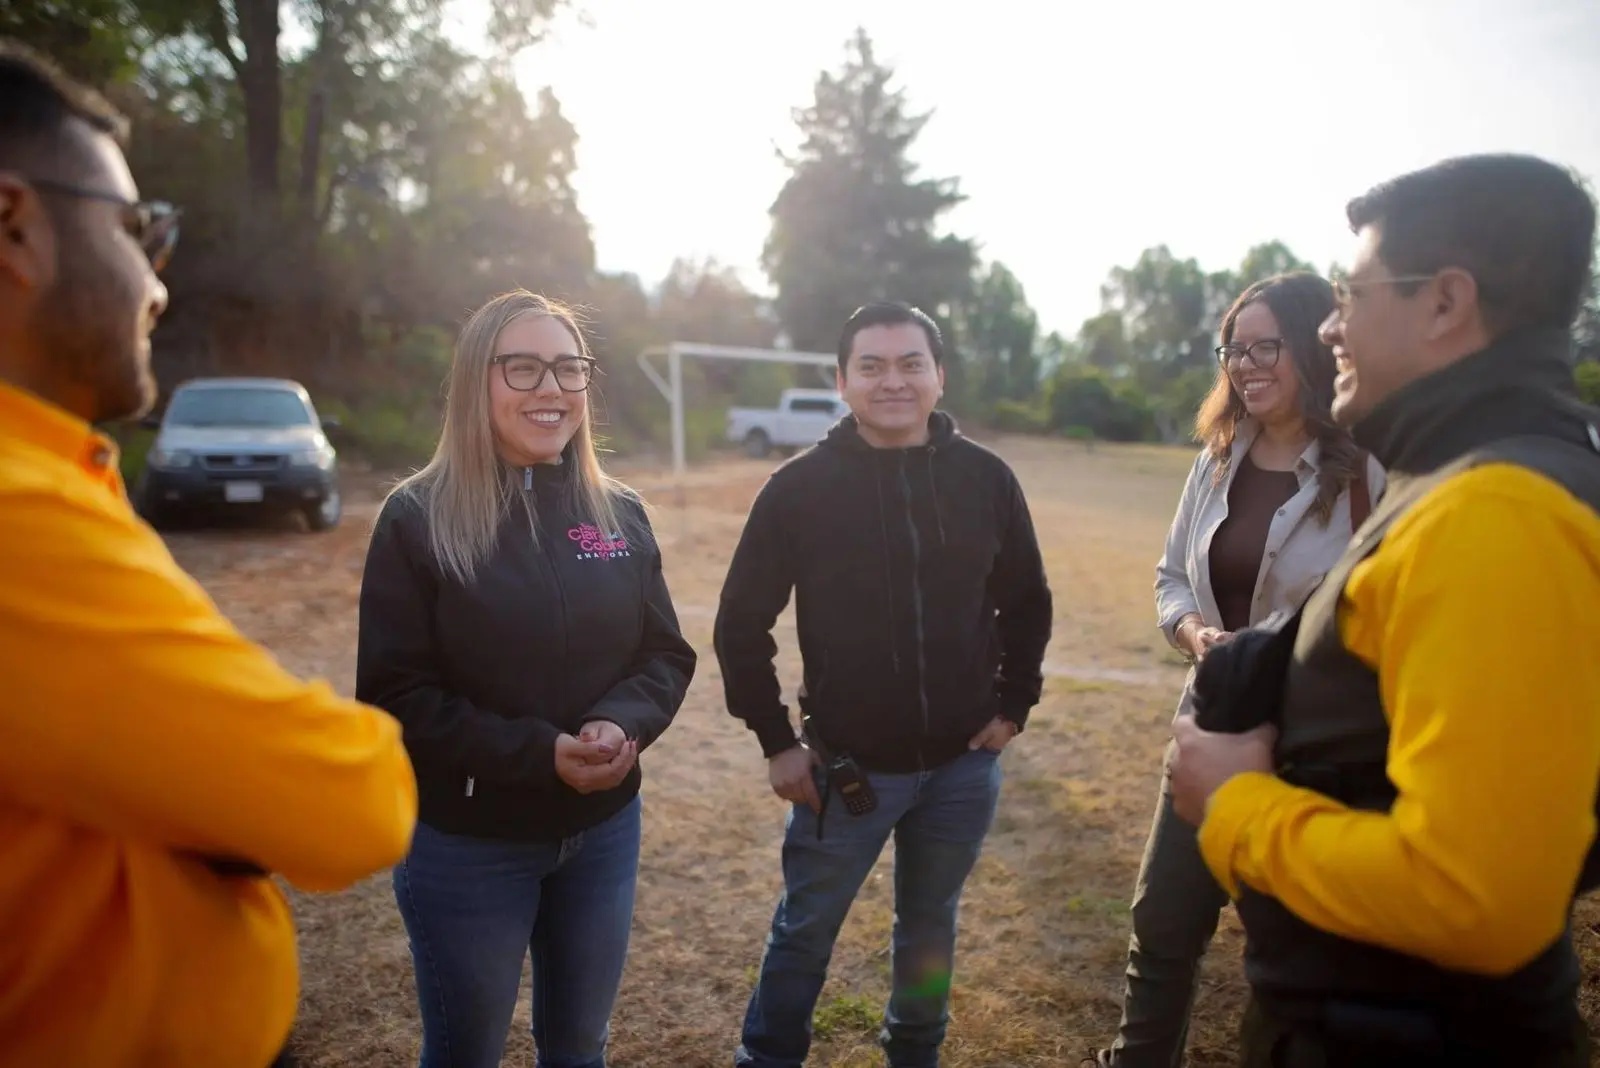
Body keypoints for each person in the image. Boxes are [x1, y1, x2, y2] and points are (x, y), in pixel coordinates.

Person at [0, 40, 418, 1068]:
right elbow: (347, 802)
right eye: (139, 230)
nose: (156, 282)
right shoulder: (19, 518)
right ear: (12, 224)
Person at [1169, 153, 1600, 1067]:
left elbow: (1476, 898)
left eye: (1349, 296)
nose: (1329, 329)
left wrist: (1236, 804)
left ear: (1445, 303)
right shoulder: (1475, 476)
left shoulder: (1497, 510)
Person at [356, 289, 696, 1068]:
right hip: (468, 845)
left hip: (605, 833)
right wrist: (537, 753)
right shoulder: (417, 518)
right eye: (523, 367)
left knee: (579, 1044)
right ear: (479, 381)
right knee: (466, 1050)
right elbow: (394, 700)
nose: (551, 388)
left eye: (568, 367)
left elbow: (664, 655)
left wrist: (623, 723)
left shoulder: (621, 512)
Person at [714, 300, 1054, 1068]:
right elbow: (740, 625)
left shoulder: (987, 479)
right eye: (871, 365)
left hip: (962, 768)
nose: (891, 381)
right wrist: (777, 742)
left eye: (910, 364)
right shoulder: (798, 489)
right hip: (848, 770)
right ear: (842, 381)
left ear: (939, 376)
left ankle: (915, 1053)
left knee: (929, 924)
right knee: (805, 930)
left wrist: (1013, 706)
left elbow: (1027, 600)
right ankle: (766, 1058)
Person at [1092, 272, 1385, 1068]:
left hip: (1319, 754)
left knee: (1291, 954)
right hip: (1207, 729)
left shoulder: (1371, 469)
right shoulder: (1218, 458)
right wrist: (1193, 632)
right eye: (1233, 350)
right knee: (1162, 931)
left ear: (1316, 349)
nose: (1246, 365)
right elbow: (1171, 575)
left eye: (1267, 347)